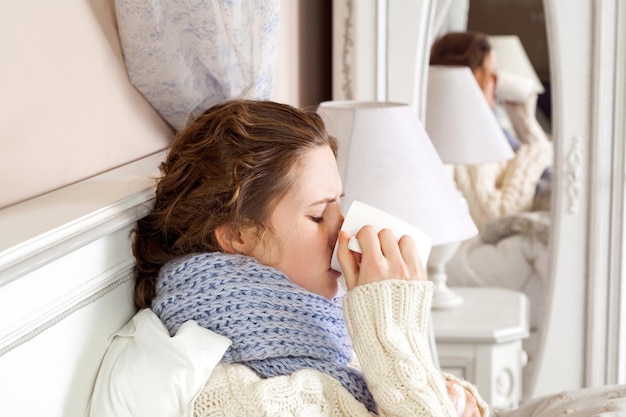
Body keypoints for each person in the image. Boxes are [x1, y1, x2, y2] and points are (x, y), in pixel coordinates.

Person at [128, 99, 487, 416]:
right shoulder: (241, 399)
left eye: (339, 205)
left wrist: (447, 397)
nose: (343, 231)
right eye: (318, 215)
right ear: (239, 234)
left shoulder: (323, 337)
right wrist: (395, 333)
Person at [430, 31, 553, 229]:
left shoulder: (492, 124)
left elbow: (550, 161)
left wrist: (524, 122)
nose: (496, 83)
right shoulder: (466, 134)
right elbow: (493, 214)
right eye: (492, 74)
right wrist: (534, 152)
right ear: (474, 78)